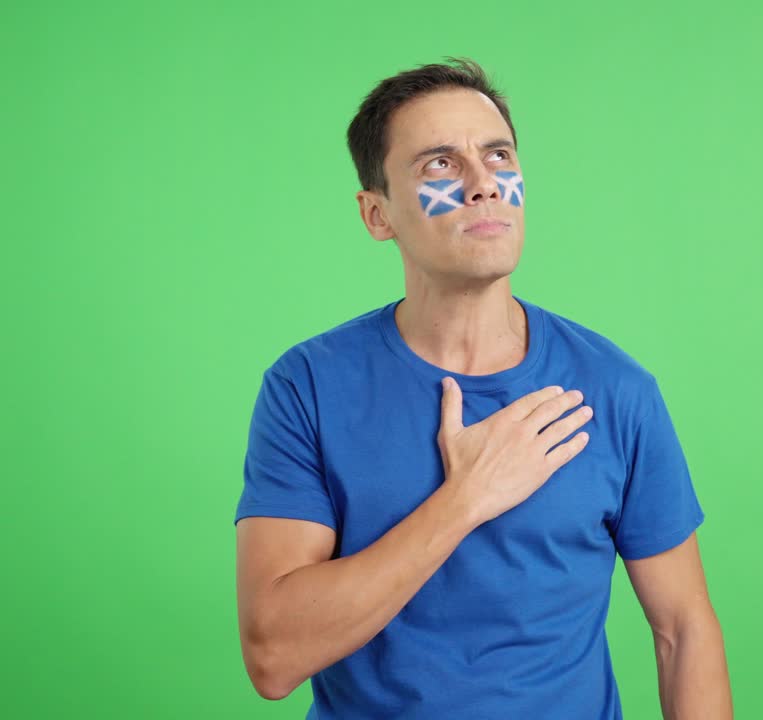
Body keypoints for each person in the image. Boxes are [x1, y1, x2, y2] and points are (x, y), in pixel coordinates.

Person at [232, 57, 733, 719]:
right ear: (377, 214)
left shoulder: (616, 390)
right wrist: (466, 499)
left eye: (497, 156)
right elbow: (274, 658)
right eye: (440, 164)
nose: (482, 185)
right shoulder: (307, 388)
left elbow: (683, 631)